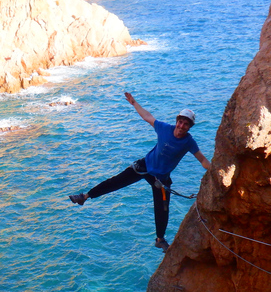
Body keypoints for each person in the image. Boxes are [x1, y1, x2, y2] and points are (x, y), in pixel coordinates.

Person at [68, 92, 211, 251]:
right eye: (180, 122)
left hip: (161, 177)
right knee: (116, 182)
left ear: (189, 127)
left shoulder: (188, 142)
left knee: (162, 208)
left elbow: (202, 160)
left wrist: (215, 170)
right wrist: (134, 103)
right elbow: (147, 116)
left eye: (186, 124)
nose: (181, 126)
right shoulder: (164, 128)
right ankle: (85, 196)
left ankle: (160, 239)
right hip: (145, 166)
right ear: (176, 121)